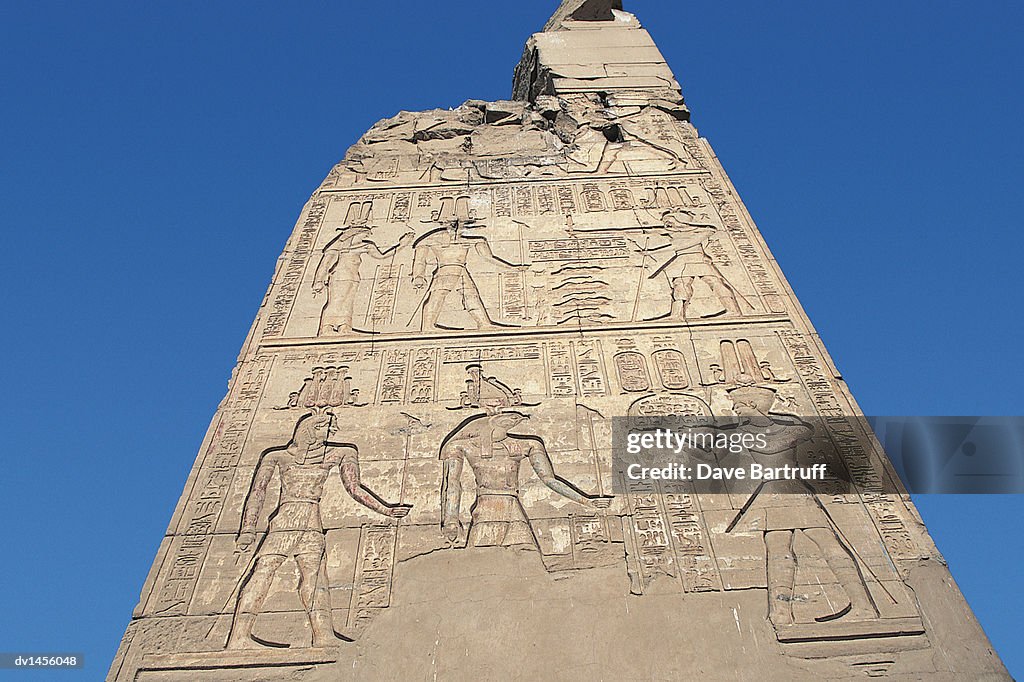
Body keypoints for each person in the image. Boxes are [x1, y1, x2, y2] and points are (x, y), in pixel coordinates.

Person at [227, 412, 411, 649]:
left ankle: (323, 636)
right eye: (328, 429)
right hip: (286, 518)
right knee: (264, 571)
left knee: (315, 578)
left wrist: (385, 509)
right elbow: (258, 493)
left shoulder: (341, 454)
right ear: (311, 430)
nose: (331, 434)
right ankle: (239, 637)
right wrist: (248, 529)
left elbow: (354, 488)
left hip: (312, 518)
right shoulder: (278, 457)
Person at [725, 386, 876, 626]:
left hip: (790, 488)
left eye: (739, 404)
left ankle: (863, 605)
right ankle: (781, 612)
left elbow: (779, 443)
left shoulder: (788, 426)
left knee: (825, 542)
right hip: (772, 490)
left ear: (753, 404)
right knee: (777, 547)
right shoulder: (746, 431)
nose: (734, 409)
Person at [440, 411, 611, 550]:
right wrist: (450, 519)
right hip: (486, 508)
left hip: (513, 508)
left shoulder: (527, 445)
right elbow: (452, 483)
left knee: (527, 557)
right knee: (481, 560)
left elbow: (549, 479)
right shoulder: (461, 446)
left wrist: (585, 501)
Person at [411, 219, 520, 330]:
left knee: (471, 296)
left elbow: (488, 257)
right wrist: (418, 276)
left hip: (460, 270)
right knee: (438, 296)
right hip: (447, 270)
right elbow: (420, 259)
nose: (456, 228)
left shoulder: (471, 240)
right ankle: (428, 326)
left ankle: (484, 324)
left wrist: (511, 267)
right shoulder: (433, 239)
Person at [312, 226, 413, 334]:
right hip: (339, 274)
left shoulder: (366, 246)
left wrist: (402, 245)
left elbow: (382, 256)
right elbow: (325, 264)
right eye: (365, 234)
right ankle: (326, 327)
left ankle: (344, 327)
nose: (367, 236)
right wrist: (318, 280)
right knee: (336, 301)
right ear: (355, 234)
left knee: (348, 302)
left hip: (354, 276)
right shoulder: (339, 246)